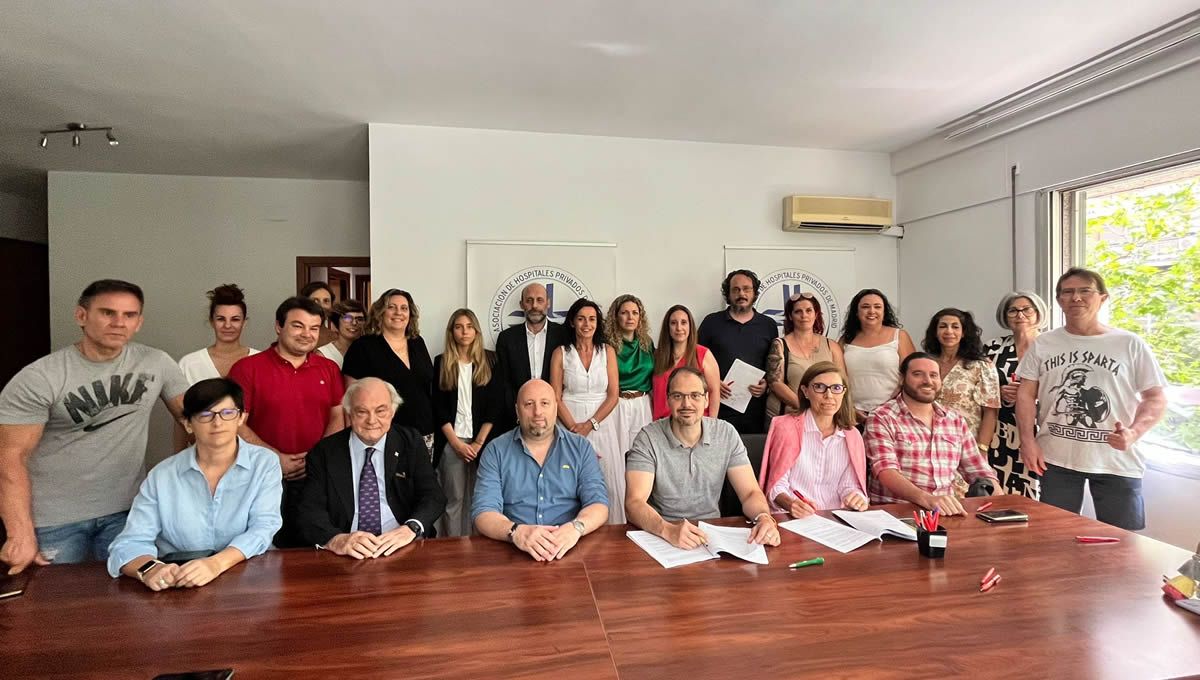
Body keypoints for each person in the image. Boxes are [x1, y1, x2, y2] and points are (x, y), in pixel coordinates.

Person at [0, 279, 189, 572]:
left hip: (128, 512)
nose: (118, 323)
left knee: (128, 607)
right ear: (81, 316)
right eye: (107, 313)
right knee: (57, 608)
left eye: (129, 315)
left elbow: (199, 420)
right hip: (55, 519)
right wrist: (19, 533)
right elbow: (10, 457)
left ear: (139, 322)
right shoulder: (40, 377)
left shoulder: (157, 364)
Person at [1016, 268, 1167, 530]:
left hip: (1116, 461)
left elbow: (1155, 397)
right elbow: (1025, 394)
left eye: (1085, 290)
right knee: (1054, 537)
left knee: (1123, 542)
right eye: (1068, 292)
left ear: (1103, 298)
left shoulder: (1129, 343)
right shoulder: (1044, 343)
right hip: (1056, 458)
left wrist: (1134, 432)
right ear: (1059, 300)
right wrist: (1027, 441)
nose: (1076, 298)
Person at [106, 378, 282, 590]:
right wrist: (150, 569)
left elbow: (263, 527)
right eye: (205, 415)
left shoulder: (264, 463)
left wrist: (216, 564)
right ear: (188, 424)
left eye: (227, 413)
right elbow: (128, 543)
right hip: (180, 580)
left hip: (248, 576)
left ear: (241, 418)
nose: (217, 423)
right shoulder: (163, 475)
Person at [227, 296, 345, 548]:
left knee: (316, 546)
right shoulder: (247, 369)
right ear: (279, 326)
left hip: (316, 475)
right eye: (298, 326)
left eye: (314, 328)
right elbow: (234, 422)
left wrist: (316, 457)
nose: (307, 334)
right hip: (263, 474)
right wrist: (274, 457)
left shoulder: (329, 369)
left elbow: (338, 415)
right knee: (266, 548)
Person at [625, 367, 781, 549]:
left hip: (712, 536)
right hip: (662, 536)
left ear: (707, 399)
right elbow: (634, 503)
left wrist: (763, 517)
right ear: (667, 400)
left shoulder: (725, 433)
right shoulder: (648, 438)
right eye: (677, 396)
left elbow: (750, 493)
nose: (686, 404)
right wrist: (667, 530)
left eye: (695, 395)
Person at [296, 378, 446, 557]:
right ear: (349, 413)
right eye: (362, 412)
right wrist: (336, 539)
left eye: (380, 411)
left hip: (402, 546)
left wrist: (410, 528)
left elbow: (433, 495)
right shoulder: (325, 452)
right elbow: (309, 510)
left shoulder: (410, 442)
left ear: (393, 411)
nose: (372, 420)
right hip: (348, 551)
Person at [471, 380, 609, 561]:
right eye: (529, 404)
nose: (537, 412)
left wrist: (575, 528)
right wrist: (516, 532)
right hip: (513, 551)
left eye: (545, 403)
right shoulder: (495, 451)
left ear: (556, 408)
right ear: (517, 411)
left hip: (569, 549)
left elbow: (598, 504)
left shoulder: (580, 448)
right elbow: (483, 512)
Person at [864, 353, 1001, 515]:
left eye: (933, 375)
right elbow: (885, 471)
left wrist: (1001, 499)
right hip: (896, 513)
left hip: (945, 513)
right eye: (917, 374)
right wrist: (928, 499)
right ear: (902, 379)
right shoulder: (882, 417)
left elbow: (978, 469)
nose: (927, 381)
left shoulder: (954, 420)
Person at [759, 362, 868, 517]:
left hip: (835, 519)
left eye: (836, 388)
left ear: (844, 393)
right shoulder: (785, 426)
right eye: (819, 387)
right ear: (805, 391)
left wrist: (856, 497)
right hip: (791, 518)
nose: (829, 395)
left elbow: (850, 485)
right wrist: (790, 503)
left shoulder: (852, 435)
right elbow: (776, 486)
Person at [550, 299, 623, 524]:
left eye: (592, 319)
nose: (587, 324)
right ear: (572, 322)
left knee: (609, 477)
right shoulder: (561, 353)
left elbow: (613, 395)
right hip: (568, 422)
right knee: (570, 478)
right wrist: (573, 428)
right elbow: (555, 397)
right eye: (581, 319)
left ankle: (612, 529)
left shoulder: (607, 351)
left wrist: (590, 424)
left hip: (602, 422)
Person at [431, 309, 501, 537]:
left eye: (469, 326)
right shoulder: (441, 362)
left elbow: (494, 406)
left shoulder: (490, 360)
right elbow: (439, 408)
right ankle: (452, 549)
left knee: (481, 498)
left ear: (476, 331)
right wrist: (457, 444)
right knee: (455, 499)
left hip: (483, 440)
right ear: (451, 332)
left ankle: (479, 550)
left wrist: (479, 443)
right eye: (459, 326)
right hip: (453, 442)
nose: (464, 331)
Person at [343, 289, 435, 455]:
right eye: (391, 307)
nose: (398, 312)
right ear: (381, 312)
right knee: (387, 480)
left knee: (422, 480)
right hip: (383, 435)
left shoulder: (417, 342)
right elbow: (351, 397)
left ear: (410, 314)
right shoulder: (363, 347)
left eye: (404, 308)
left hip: (424, 433)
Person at [922, 307, 1001, 495]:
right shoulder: (926, 362)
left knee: (967, 500)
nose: (949, 331)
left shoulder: (981, 365)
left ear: (964, 332)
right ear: (935, 331)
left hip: (966, 445)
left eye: (955, 327)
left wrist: (982, 449)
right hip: (927, 443)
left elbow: (990, 411)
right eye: (943, 326)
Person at [985, 291, 1050, 498]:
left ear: (1038, 313)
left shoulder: (1052, 346)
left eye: (1026, 309)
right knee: (1001, 490)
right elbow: (980, 386)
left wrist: (1032, 393)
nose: (1019, 314)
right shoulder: (992, 347)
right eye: (1013, 310)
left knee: (1040, 489)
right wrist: (1000, 392)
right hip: (1001, 430)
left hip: (1042, 428)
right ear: (1005, 316)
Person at [698, 270, 778, 434]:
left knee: (753, 457)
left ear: (754, 293)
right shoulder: (711, 323)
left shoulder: (768, 325)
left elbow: (774, 365)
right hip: (718, 408)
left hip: (756, 411)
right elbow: (695, 361)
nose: (741, 293)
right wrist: (712, 382)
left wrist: (767, 384)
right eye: (735, 289)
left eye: (746, 289)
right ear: (728, 293)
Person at [494, 283, 569, 432]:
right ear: (522, 304)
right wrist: (517, 414)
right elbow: (504, 383)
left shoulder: (563, 335)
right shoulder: (506, 339)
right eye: (529, 300)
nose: (534, 305)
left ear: (548, 303)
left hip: (557, 419)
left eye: (540, 300)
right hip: (517, 420)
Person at [765, 292, 847, 423]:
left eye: (809, 310)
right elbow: (775, 383)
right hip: (787, 419)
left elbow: (842, 382)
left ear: (816, 314)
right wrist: (807, 408)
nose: (804, 315)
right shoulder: (779, 345)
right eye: (798, 311)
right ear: (790, 316)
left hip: (823, 419)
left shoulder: (832, 346)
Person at [840, 288, 915, 419]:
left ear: (884, 311)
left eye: (877, 307)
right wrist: (850, 408)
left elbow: (911, 374)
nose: (871, 311)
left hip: (893, 413)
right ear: (856, 312)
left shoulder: (899, 336)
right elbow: (837, 377)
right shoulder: (845, 340)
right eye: (865, 306)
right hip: (853, 415)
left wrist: (887, 407)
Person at [605, 294, 654, 465]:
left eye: (635, 312)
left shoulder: (647, 343)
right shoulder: (607, 345)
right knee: (616, 454)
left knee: (643, 452)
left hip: (642, 403)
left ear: (640, 317)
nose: (630, 317)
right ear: (615, 317)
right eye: (624, 313)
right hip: (616, 403)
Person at [650, 305, 721, 420]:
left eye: (683, 322)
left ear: (690, 326)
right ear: (667, 327)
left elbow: (714, 392)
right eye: (673, 323)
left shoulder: (703, 354)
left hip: (695, 426)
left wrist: (712, 425)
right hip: (661, 425)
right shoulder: (657, 356)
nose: (679, 328)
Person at [178, 284, 258, 384]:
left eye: (235, 319)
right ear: (212, 321)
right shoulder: (189, 364)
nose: (227, 325)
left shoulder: (262, 362)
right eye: (221, 319)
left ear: (244, 322)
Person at [316, 299, 366, 369]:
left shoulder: (368, 351)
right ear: (337, 322)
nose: (354, 323)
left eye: (359, 319)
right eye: (348, 318)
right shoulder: (324, 354)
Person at [301, 281, 339, 347]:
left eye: (326, 301)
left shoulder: (335, 338)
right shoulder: (294, 334)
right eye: (315, 301)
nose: (321, 306)